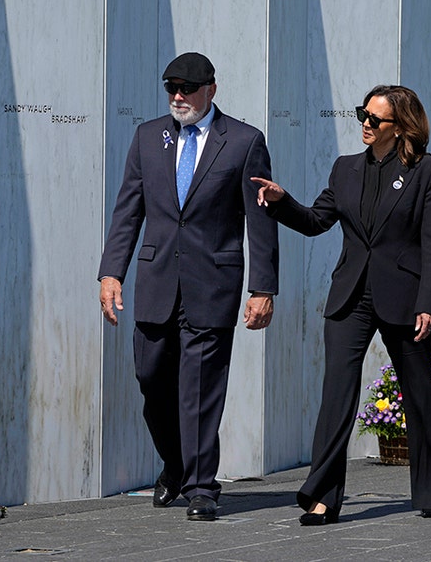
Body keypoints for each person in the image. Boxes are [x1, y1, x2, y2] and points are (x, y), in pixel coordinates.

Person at [251, 84, 431, 525]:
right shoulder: (344, 169)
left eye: (375, 119)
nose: (365, 122)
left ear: (399, 129)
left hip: (404, 298)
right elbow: (316, 221)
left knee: (418, 393)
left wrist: (428, 303)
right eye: (362, 113)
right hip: (350, 296)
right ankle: (322, 496)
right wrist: (283, 203)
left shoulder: (428, 172)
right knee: (336, 395)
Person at [98, 52, 279, 522]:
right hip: (156, 282)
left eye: (188, 88)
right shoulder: (146, 137)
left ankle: (202, 487)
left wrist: (263, 288)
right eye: (171, 88)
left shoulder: (243, 142)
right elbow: (127, 211)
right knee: (151, 380)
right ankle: (176, 464)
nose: (179, 96)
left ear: (211, 90)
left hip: (213, 285)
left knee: (199, 389)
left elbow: (259, 223)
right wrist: (111, 272)